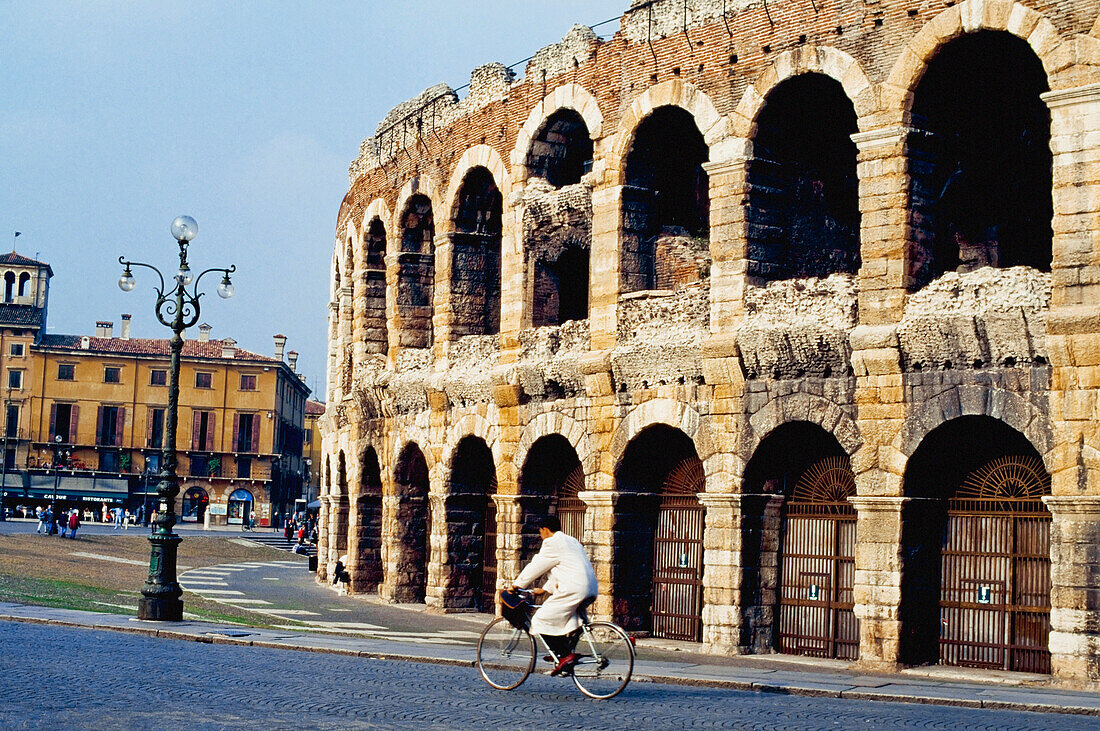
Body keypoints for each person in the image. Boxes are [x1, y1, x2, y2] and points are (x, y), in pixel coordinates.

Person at [509, 515, 598, 676]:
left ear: (545, 529)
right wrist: (544, 589)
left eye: (540, 531)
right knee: (572, 620)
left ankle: (565, 656)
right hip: (590, 588)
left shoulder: (552, 543)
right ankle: (563, 653)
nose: (541, 535)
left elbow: (536, 566)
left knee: (539, 620)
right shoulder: (571, 541)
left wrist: (517, 585)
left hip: (574, 589)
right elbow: (563, 568)